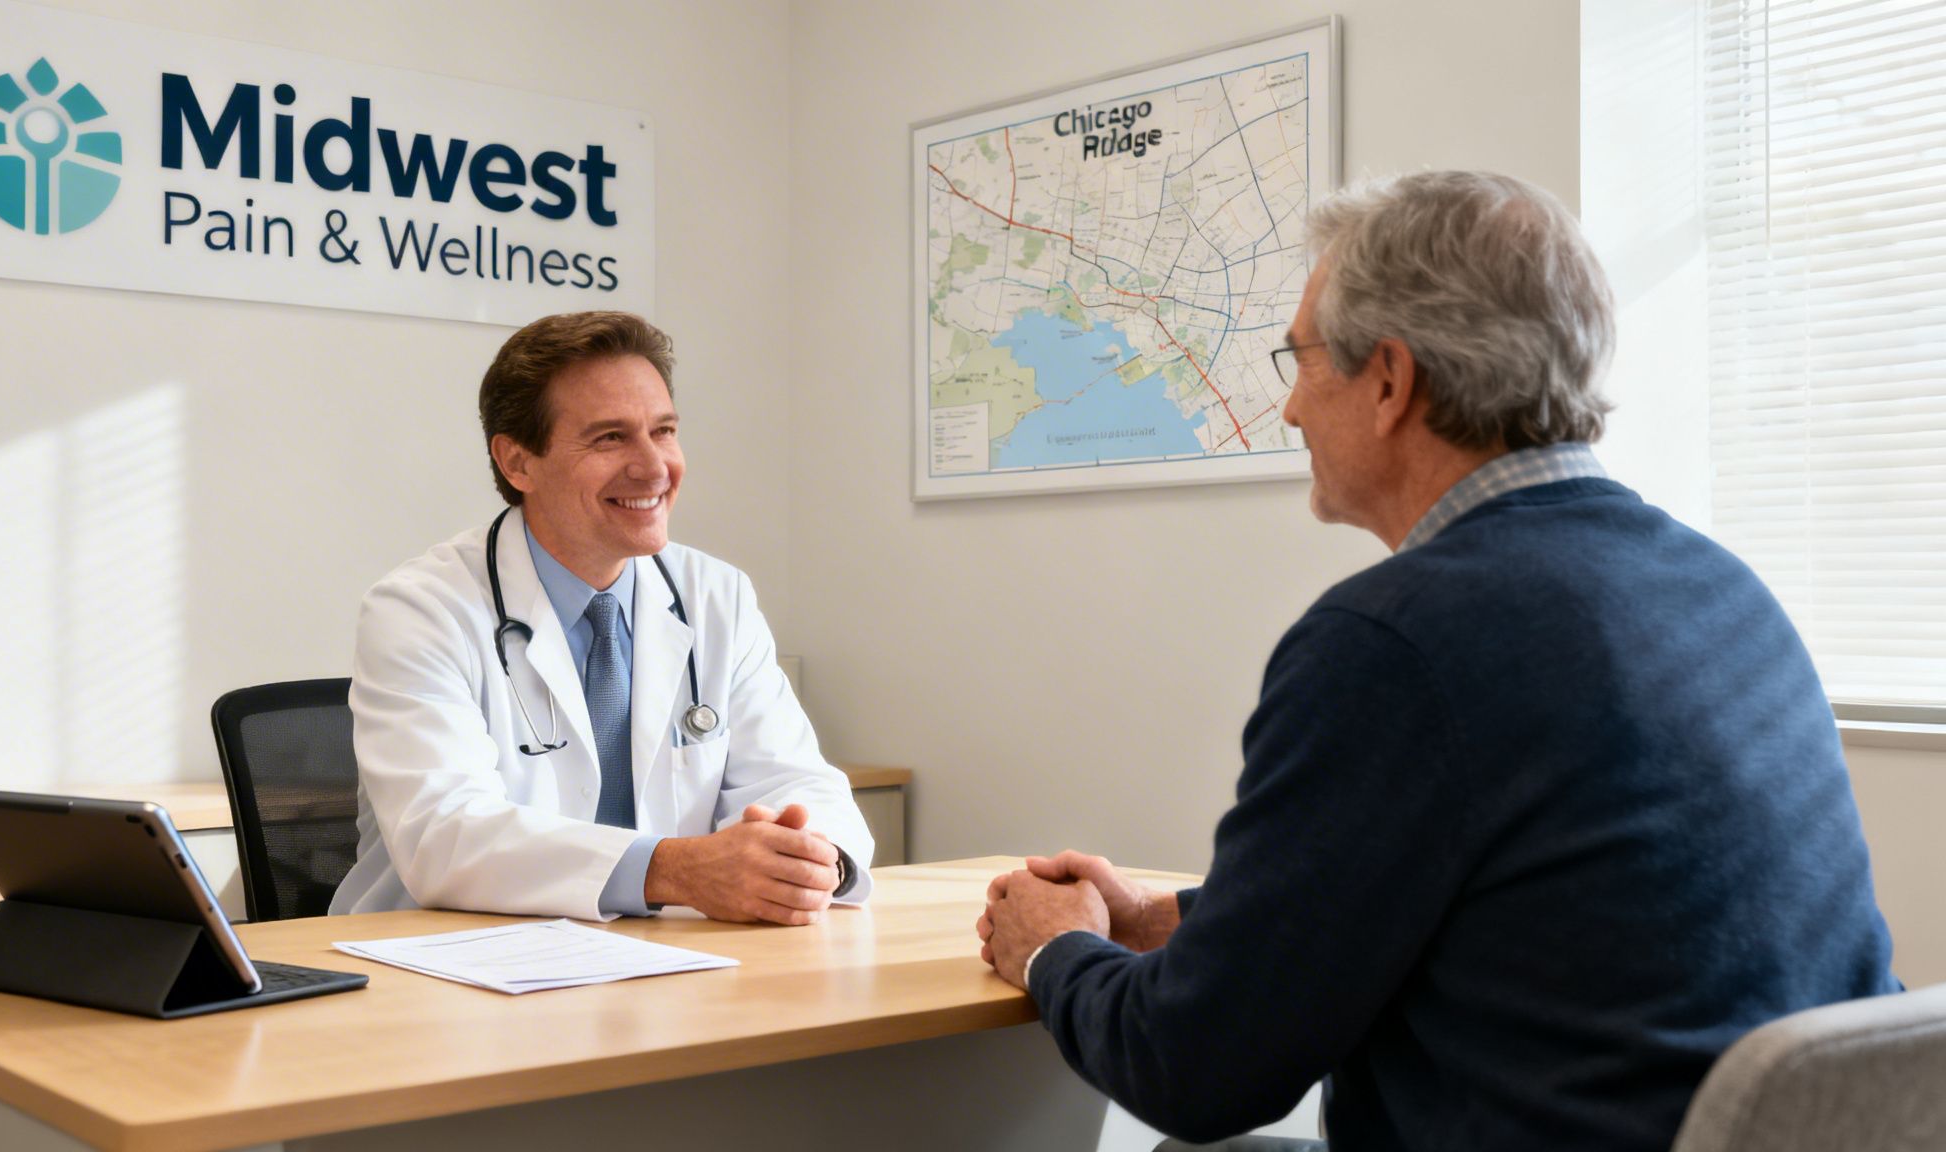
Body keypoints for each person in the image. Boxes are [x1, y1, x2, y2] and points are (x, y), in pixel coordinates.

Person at [975, 171, 1898, 1151]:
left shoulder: (1394, 641)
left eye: (1299, 361)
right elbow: (1507, 898)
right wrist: (1172, 919)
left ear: (1388, 380)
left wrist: (1053, 950)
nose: (1287, 412)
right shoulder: (1722, 592)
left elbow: (1193, 1068)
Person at [333, 311, 872, 925]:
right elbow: (445, 834)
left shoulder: (717, 595)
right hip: (446, 970)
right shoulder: (421, 609)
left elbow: (797, 781)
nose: (653, 467)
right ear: (517, 463)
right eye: (609, 438)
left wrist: (807, 860)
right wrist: (678, 870)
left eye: (663, 431)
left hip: (660, 963)